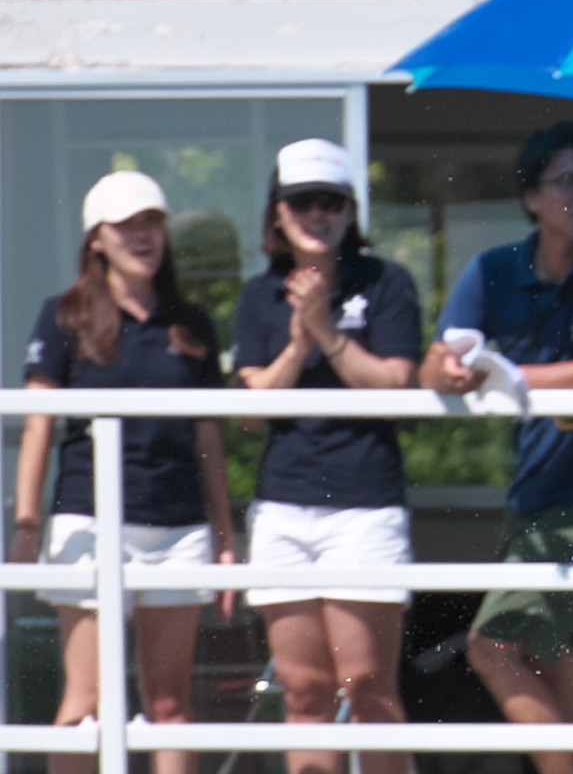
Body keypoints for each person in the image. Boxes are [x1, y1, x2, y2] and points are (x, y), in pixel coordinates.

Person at [420, 121, 573, 774]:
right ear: (530, 197)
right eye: (567, 182)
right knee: (559, 667)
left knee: (491, 647)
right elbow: (436, 362)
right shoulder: (493, 269)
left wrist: (512, 377)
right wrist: (454, 370)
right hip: (534, 494)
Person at [9, 171, 236, 774]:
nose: (142, 235)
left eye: (152, 222)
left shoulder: (192, 323)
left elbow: (207, 436)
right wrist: (27, 526)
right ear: (97, 239)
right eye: (126, 224)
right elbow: (38, 426)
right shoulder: (63, 315)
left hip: (178, 526)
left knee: (170, 707)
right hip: (89, 523)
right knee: (87, 703)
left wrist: (223, 534)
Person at [232, 138, 422, 774]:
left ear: (349, 212)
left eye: (331, 201)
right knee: (305, 691)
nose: (318, 213)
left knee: (368, 686)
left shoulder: (386, 282)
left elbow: (395, 390)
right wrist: (297, 344)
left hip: (365, 506)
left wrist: (326, 333)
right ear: (277, 212)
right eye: (302, 201)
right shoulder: (259, 294)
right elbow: (250, 409)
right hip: (283, 507)